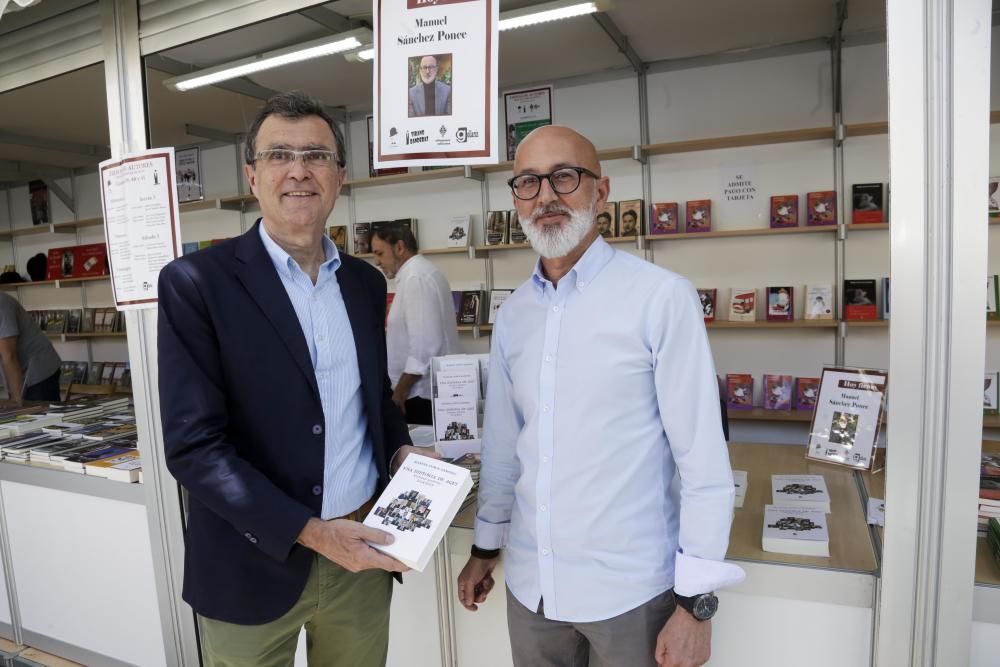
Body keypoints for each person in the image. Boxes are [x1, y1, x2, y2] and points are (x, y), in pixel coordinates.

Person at [158, 92, 430, 666]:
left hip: (360, 557)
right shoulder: (196, 283)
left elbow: (372, 399)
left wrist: (403, 453)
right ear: (253, 176)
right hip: (249, 566)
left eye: (316, 155)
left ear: (339, 176)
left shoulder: (361, 282)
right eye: (279, 154)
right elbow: (194, 448)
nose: (299, 170)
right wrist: (310, 531)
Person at [457, 126, 744, 667]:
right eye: (527, 183)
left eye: (564, 177)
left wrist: (696, 606)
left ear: (601, 192)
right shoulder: (515, 315)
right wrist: (484, 549)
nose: (546, 196)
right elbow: (501, 449)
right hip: (531, 589)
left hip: (632, 596)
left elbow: (704, 464)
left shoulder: (660, 299)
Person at [370, 225, 460, 425]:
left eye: (379, 253)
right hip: (422, 392)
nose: (376, 261)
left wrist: (400, 391)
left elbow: (424, 347)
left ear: (400, 248)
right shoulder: (418, 273)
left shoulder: (416, 278)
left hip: (420, 395)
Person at [0, 292, 61, 403]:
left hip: (39, 371)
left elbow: (9, 356)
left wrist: (17, 400)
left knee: (38, 415)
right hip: (17, 370)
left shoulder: (2, 303)